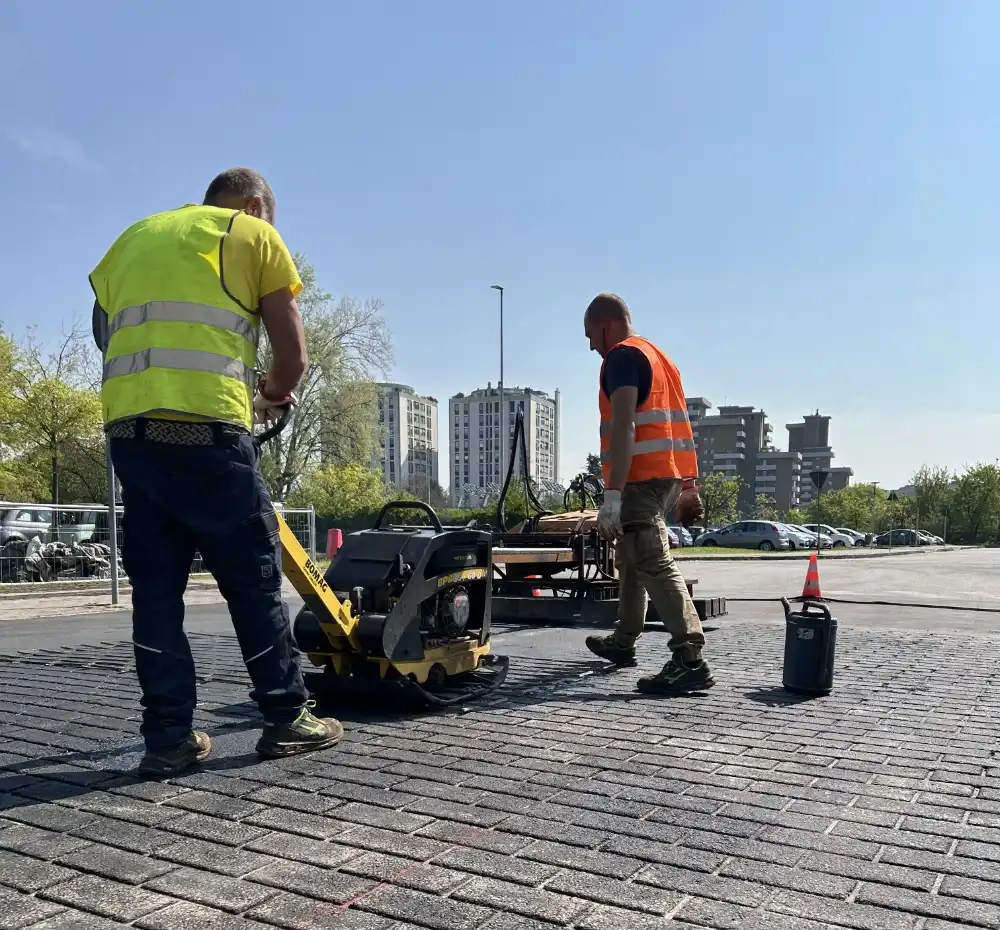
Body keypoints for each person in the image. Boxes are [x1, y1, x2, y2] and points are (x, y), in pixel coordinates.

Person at [90, 167, 342, 776]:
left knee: (156, 589)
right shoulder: (252, 234)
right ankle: (286, 717)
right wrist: (271, 394)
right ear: (255, 205)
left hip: (132, 435)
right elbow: (292, 355)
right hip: (209, 435)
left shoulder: (132, 238)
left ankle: (167, 738)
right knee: (252, 578)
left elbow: (106, 334)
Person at [582, 292, 715, 693]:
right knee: (631, 557)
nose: (591, 346)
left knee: (652, 559)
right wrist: (688, 485)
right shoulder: (660, 358)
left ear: (605, 325)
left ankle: (689, 658)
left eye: (590, 336)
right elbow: (680, 428)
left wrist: (612, 496)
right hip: (666, 475)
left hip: (640, 478)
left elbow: (626, 425)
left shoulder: (621, 356)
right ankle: (623, 641)